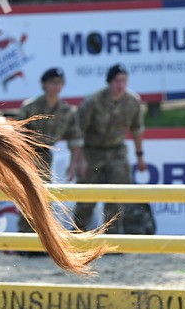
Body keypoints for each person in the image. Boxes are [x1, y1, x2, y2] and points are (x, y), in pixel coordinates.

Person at [72, 64, 146, 233]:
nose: (120, 85)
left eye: (124, 80)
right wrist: (80, 160)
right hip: (92, 151)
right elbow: (78, 132)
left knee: (117, 195)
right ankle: (77, 235)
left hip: (116, 151)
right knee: (87, 197)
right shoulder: (93, 101)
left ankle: (113, 237)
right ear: (109, 82)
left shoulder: (132, 101)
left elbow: (137, 129)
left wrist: (140, 156)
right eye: (117, 81)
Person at [15, 67, 86, 236]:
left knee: (43, 196)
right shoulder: (30, 107)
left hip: (46, 155)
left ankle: (42, 236)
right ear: (44, 84)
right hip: (27, 153)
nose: (57, 86)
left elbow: (75, 139)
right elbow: (16, 135)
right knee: (29, 195)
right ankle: (25, 236)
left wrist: (73, 165)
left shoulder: (66, 110)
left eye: (60, 83)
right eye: (53, 82)